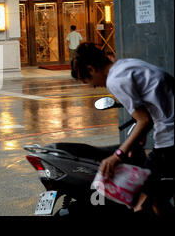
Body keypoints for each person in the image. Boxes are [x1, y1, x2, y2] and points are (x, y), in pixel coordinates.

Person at [71, 42, 174, 214]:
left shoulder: (115, 80)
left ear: (91, 68)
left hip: (170, 138)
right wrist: (135, 141)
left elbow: (143, 120)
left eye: (87, 80)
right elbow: (152, 108)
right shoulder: (125, 65)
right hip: (168, 133)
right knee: (155, 196)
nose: (92, 86)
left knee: (141, 196)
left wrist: (117, 155)